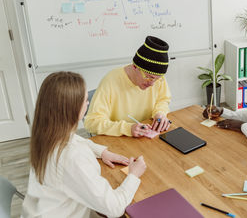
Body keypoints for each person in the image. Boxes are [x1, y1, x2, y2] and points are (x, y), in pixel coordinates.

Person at [22, 72, 147, 218]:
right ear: (73, 109)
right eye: (85, 100)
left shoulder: (45, 133)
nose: (88, 103)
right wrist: (133, 175)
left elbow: (75, 139)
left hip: (42, 209)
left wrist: (102, 152)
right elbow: (114, 208)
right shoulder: (73, 157)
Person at [84, 36, 172, 137]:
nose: (152, 83)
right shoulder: (111, 81)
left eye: (157, 79)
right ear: (135, 66)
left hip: (145, 137)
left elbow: (163, 100)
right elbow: (92, 122)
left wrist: (160, 113)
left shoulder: (157, 80)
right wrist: (127, 128)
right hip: (118, 140)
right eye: (149, 77)